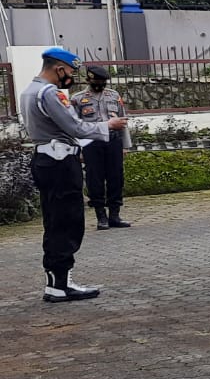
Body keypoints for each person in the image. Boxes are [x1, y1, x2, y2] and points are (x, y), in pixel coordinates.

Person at [19, 48, 129, 302]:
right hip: (59, 162)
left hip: (45, 158)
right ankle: (60, 284)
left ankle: (56, 283)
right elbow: (73, 126)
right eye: (69, 71)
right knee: (67, 220)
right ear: (59, 69)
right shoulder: (49, 93)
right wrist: (107, 126)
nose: (70, 76)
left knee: (54, 219)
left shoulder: (29, 90)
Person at [71, 65, 132, 230]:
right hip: (91, 143)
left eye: (103, 81)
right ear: (89, 80)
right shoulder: (77, 99)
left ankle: (115, 215)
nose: (100, 84)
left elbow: (122, 120)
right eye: (97, 81)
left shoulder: (113, 96)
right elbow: (74, 126)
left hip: (113, 141)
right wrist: (78, 149)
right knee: (94, 178)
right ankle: (101, 216)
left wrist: (125, 146)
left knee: (116, 178)